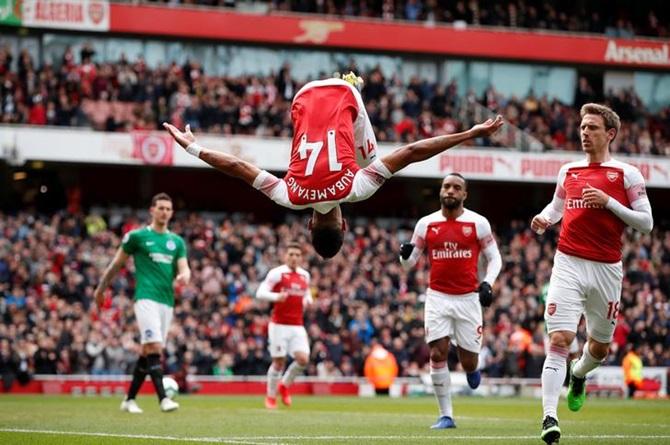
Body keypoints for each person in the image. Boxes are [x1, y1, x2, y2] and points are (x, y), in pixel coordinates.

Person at [163, 73, 503, 259]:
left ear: (343, 227)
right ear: (310, 226)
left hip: (345, 92)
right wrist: (194, 148)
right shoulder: (289, 196)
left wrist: (469, 133)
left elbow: (412, 150)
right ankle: (346, 89)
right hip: (302, 96)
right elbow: (238, 166)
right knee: (360, 159)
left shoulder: (356, 189)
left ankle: (354, 83)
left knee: (374, 160)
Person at [531, 103, 653, 444]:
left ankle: (579, 373)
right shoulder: (568, 171)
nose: (585, 133)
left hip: (606, 269)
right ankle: (549, 418)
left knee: (598, 348)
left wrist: (609, 203)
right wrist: (544, 219)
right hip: (567, 263)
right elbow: (556, 208)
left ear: (609, 133)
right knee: (559, 340)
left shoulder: (626, 174)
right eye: (583, 127)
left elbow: (647, 223)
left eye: (592, 128)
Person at [399, 173, 502, 429]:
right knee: (437, 352)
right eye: (447, 186)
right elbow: (410, 263)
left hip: (468, 299)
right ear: (440, 191)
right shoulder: (426, 224)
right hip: (437, 298)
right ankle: (446, 415)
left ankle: (472, 369)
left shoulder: (478, 223)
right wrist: (404, 256)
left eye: (457, 187)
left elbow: (495, 258)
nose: (451, 191)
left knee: (468, 360)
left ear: (464, 194)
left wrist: (488, 282)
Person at [94, 193, 190, 414]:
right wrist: (101, 289)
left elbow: (184, 267)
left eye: (168, 209)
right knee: (155, 347)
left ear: (171, 213)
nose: (164, 212)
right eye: (161, 208)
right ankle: (163, 399)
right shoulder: (136, 237)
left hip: (167, 301)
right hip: (145, 298)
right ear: (152, 210)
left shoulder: (176, 242)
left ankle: (129, 400)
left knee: (149, 351)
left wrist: (185, 275)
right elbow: (116, 265)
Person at [255, 242, 312, 409]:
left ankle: (284, 385)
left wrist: (308, 300)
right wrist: (276, 297)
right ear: (285, 256)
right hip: (279, 325)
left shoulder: (305, 276)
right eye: (291, 254)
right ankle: (271, 397)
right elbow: (260, 293)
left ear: (301, 258)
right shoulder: (277, 274)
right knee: (279, 362)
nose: (294, 258)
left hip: (297, 324)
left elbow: (307, 293)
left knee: (303, 359)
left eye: (297, 255)